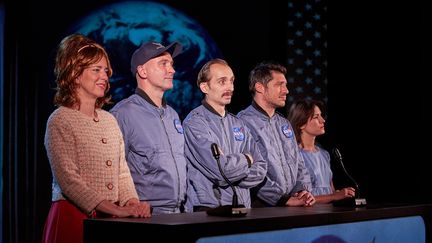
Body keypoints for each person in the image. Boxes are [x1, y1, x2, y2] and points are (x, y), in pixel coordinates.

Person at [42, 34, 151, 243]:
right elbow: (68, 180)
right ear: (75, 74)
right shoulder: (60, 119)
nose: (104, 76)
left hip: (111, 219)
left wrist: (132, 203)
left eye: (105, 70)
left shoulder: (109, 120)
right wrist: (115, 210)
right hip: (73, 218)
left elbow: (122, 172)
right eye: (96, 70)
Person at [110, 41, 187, 214]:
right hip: (146, 216)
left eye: (172, 64)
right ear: (142, 71)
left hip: (179, 213)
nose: (172, 70)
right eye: (163, 64)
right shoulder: (123, 114)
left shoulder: (172, 115)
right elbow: (113, 170)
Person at [183, 59, 267, 212]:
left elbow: (261, 168)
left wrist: (232, 174)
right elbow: (221, 170)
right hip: (209, 209)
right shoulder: (195, 123)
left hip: (242, 207)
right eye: (222, 82)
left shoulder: (238, 124)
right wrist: (247, 159)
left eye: (231, 81)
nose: (230, 87)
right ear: (204, 87)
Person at [237, 61, 315, 207]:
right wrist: (281, 199)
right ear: (259, 87)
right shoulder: (242, 123)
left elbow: (299, 164)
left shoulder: (284, 123)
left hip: (293, 204)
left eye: (285, 85)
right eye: (280, 85)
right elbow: (248, 172)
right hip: (262, 208)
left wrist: (302, 191)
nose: (286, 91)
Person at [287, 99, 356, 203]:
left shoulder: (325, 154)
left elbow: (331, 192)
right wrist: (334, 196)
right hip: (306, 214)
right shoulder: (294, 154)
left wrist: (340, 194)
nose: (322, 120)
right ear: (301, 124)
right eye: (316, 117)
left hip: (328, 213)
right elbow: (299, 200)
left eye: (321, 115)